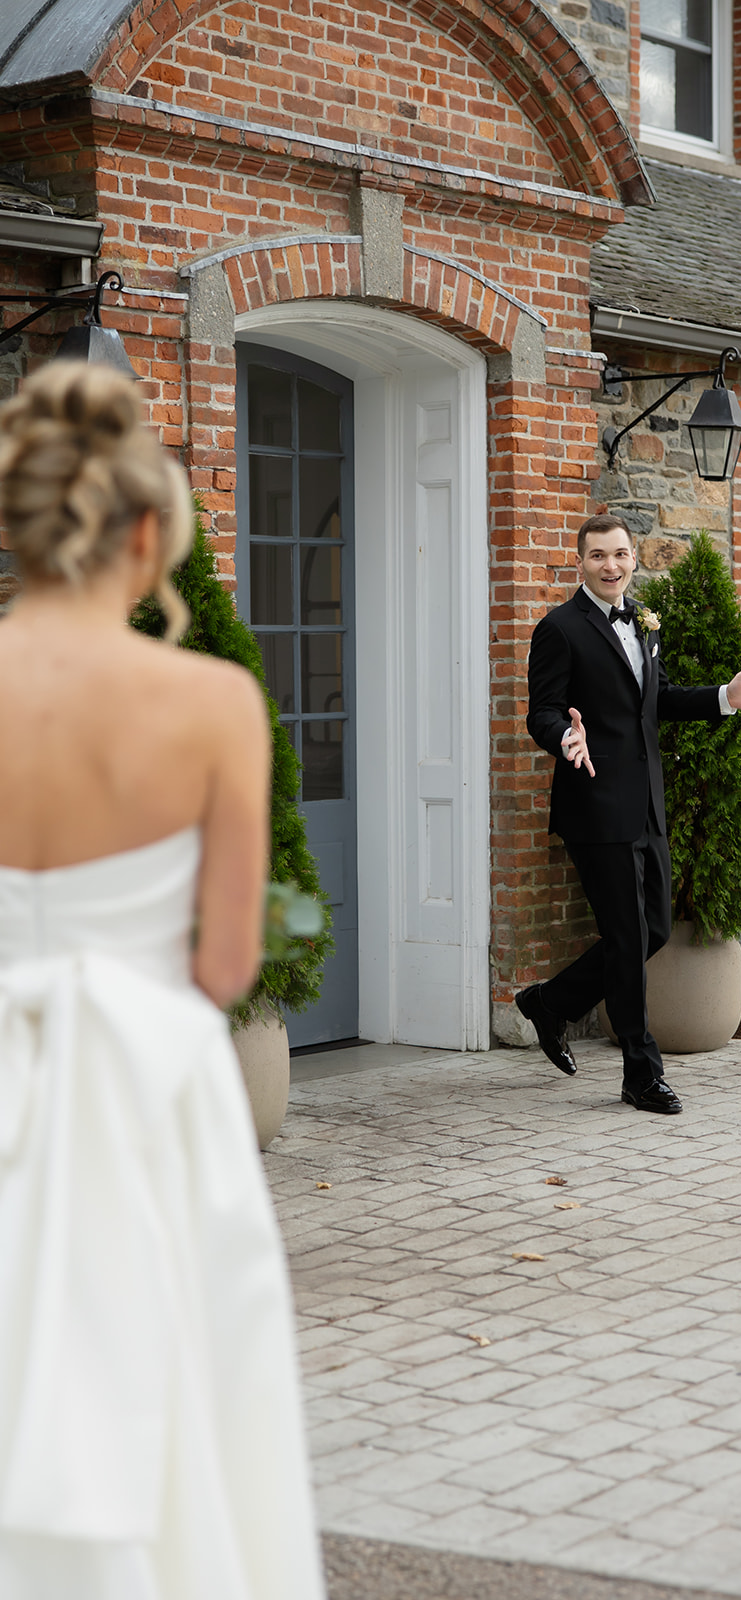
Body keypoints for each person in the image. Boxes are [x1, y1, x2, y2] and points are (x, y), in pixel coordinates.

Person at [0, 364, 326, 1599]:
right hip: (146, 1110)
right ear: (146, 534)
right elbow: (227, 964)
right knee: (175, 1417)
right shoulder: (213, 701)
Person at [518, 512, 741, 1114]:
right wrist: (564, 736)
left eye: (619, 554)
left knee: (655, 930)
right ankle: (641, 1074)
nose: (610, 565)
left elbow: (656, 700)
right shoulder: (558, 628)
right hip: (595, 804)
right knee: (628, 936)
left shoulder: (643, 619)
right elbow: (541, 711)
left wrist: (726, 698)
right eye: (597, 556)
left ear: (633, 559)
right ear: (579, 563)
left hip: (646, 803)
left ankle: (550, 1002)